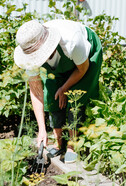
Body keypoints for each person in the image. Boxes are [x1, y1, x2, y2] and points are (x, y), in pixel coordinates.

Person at [14, 19, 102, 163]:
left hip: (85, 59)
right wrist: (42, 129)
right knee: (52, 95)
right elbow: (36, 91)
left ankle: (72, 146)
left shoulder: (72, 41)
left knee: (76, 99)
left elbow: (82, 69)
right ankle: (59, 142)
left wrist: (65, 88)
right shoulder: (30, 57)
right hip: (64, 61)